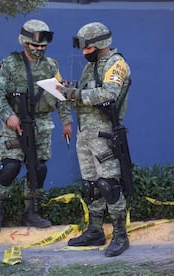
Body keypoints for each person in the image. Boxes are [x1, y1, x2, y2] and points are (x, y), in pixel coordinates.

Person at [0, 19, 73, 236]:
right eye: (35, 46)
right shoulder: (10, 63)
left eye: (43, 47)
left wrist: (66, 121)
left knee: (39, 169)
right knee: (10, 168)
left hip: (41, 124)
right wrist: (8, 116)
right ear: (25, 43)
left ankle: (31, 211)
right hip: (15, 124)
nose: (39, 50)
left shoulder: (50, 65)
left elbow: (59, 94)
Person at [60, 22, 132, 257]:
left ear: (100, 45)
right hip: (85, 134)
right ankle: (95, 230)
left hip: (104, 134)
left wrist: (77, 94)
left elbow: (109, 94)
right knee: (91, 186)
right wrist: (67, 91)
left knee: (108, 185)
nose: (83, 53)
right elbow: (83, 96)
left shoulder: (115, 63)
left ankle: (120, 235)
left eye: (87, 47)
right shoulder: (90, 67)